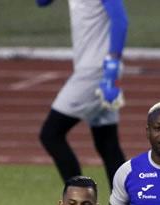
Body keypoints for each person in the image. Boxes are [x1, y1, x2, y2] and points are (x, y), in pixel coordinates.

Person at [37, 0, 128, 189]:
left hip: (97, 71)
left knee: (51, 134)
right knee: (107, 142)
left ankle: (82, 203)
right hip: (95, 70)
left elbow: (120, 20)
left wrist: (113, 60)